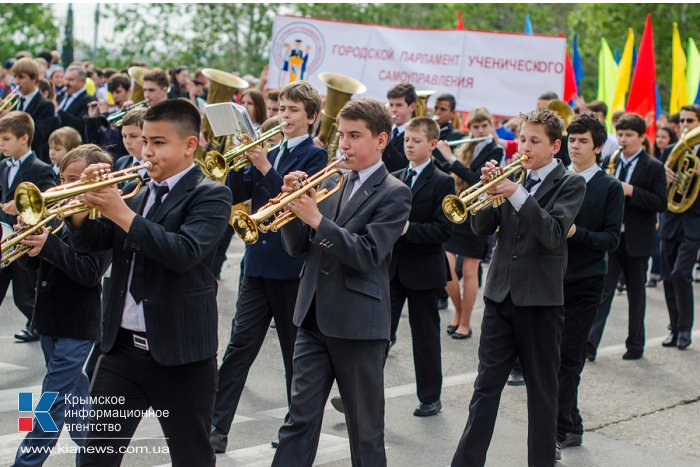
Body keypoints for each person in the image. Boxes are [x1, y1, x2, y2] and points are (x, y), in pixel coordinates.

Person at [68, 99, 232, 466]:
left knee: (191, 456)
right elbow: (94, 243)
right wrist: (79, 207)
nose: (146, 152)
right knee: (95, 456)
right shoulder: (139, 193)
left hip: (181, 353)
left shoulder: (212, 195)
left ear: (190, 145)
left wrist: (121, 213)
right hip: (121, 350)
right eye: (144, 141)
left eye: (158, 143)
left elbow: (183, 252)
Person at [272, 97, 411, 466]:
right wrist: (293, 211)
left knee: (365, 431)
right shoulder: (332, 181)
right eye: (341, 135)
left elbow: (367, 253)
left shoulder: (395, 192)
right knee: (298, 421)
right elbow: (297, 247)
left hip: (359, 325)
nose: (343, 145)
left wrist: (316, 219)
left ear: (381, 140)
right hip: (313, 318)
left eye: (354, 136)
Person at [450, 108, 586, 467]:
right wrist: (488, 192)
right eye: (522, 139)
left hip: (541, 303)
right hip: (499, 296)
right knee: (484, 388)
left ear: (556, 146)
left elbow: (553, 234)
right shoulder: (516, 176)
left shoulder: (571, 183)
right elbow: (482, 227)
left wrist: (515, 193)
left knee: (542, 393)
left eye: (534, 141)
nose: (524, 147)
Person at [210, 81, 327, 453]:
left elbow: (291, 201)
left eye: (293, 111)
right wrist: (235, 158)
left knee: (295, 354)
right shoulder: (271, 150)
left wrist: (262, 164)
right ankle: (215, 425)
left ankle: (295, 430)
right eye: (281, 109)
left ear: (312, 117)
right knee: (239, 346)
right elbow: (237, 193)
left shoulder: (316, 156)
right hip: (256, 263)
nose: (284, 116)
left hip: (291, 266)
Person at [12, 145, 112, 467]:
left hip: (77, 323)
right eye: (63, 178)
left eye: (74, 179)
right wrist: (29, 248)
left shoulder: (100, 224)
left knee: (50, 402)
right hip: (50, 320)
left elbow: (89, 274)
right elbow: (38, 268)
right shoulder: (57, 213)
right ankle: (95, 458)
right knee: (76, 399)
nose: (64, 187)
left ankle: (25, 464)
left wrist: (49, 245)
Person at [556, 113, 624, 450]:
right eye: (572, 140)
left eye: (583, 141)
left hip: (586, 281)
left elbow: (611, 239)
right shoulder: (559, 177)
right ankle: (573, 422)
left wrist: (576, 233)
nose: (575, 146)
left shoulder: (608, 186)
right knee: (552, 356)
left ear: (598, 147)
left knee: (570, 356)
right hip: (552, 278)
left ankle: (559, 429)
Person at [587, 113, 667, 361]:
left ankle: (635, 344)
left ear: (642, 137)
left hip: (638, 237)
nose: (623, 139)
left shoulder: (653, 166)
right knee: (604, 291)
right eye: (620, 134)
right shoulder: (612, 160)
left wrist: (632, 191)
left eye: (629, 135)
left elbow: (661, 202)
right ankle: (590, 343)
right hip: (613, 237)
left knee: (636, 293)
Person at [389, 116, 454, 416]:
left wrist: (407, 229)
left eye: (416, 141)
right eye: (407, 140)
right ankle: (361, 392)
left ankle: (430, 396)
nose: (410, 145)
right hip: (391, 269)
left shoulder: (443, 180)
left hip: (424, 271)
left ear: (432, 144)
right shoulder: (395, 174)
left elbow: (444, 230)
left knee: (425, 337)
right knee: (376, 334)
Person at [435, 107, 504, 340]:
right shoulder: (467, 147)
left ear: (491, 125)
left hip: (477, 213)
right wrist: (438, 156)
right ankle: (458, 309)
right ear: (470, 128)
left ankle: (464, 322)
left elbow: (477, 180)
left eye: (484, 126)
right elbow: (453, 173)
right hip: (457, 212)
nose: (480, 130)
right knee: (445, 267)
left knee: (470, 271)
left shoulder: (496, 150)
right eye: (475, 126)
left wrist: (451, 159)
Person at [0, 111, 56, 342]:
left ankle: (42, 326)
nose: (1, 144)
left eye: (6, 139)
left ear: (24, 138)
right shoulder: (3, 165)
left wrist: (21, 206)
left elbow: (48, 200)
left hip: (23, 240)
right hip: (4, 238)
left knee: (25, 295)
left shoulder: (41, 168)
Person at [659, 104, 700, 350]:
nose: (684, 125)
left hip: (695, 221)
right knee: (667, 276)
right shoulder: (671, 151)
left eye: (690, 121)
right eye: (682, 121)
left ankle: (685, 328)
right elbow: (659, 190)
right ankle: (674, 328)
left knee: (680, 273)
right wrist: (661, 175)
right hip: (671, 220)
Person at [8, 58, 57, 163]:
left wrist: (9, 119)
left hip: (32, 159)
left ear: (34, 78)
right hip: (9, 158)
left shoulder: (45, 105)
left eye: (21, 77)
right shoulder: (13, 100)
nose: (17, 81)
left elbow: (38, 135)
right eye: (15, 77)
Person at [55, 65, 95, 134]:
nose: (66, 83)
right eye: (65, 79)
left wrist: (58, 111)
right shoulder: (60, 95)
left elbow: (80, 124)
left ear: (82, 82)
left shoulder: (89, 100)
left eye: (71, 80)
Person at [384, 82, 414, 172]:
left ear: (412, 107)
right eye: (391, 105)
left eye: (399, 105)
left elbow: (401, 164)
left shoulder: (415, 133)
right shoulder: (390, 129)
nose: (393, 110)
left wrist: (386, 133)